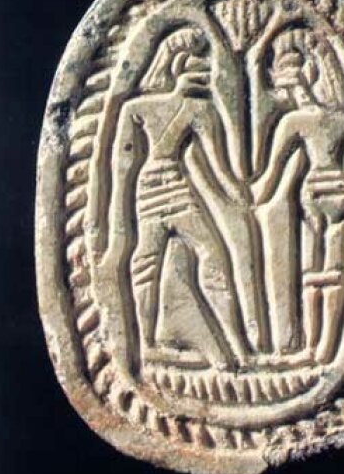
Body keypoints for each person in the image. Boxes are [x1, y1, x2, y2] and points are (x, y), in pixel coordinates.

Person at [104, 27, 251, 368]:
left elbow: (218, 167)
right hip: (160, 186)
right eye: (198, 66)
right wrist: (238, 190)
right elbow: (122, 165)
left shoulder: (180, 109)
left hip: (160, 186)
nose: (203, 74)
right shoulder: (145, 108)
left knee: (185, 257)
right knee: (161, 259)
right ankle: (150, 345)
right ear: (178, 68)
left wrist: (240, 192)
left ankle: (236, 347)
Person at [252, 29, 344, 363]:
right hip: (339, 194)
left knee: (311, 272)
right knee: (334, 271)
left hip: (312, 195)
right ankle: (327, 349)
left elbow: (269, 176)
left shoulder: (294, 122)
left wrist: (247, 198)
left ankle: (312, 349)